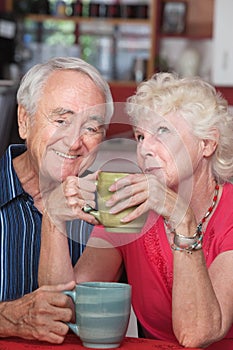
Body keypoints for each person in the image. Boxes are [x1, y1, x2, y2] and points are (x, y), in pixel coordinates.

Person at [39, 72, 233, 348]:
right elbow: (66, 309)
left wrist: (182, 219)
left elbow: (196, 334)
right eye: (141, 136)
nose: (145, 149)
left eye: (163, 131)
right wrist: (53, 219)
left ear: (207, 143)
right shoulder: (128, 206)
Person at [0, 56, 113, 343]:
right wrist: (9, 318)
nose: (74, 142)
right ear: (25, 121)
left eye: (91, 128)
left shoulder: (110, 204)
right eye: (61, 120)